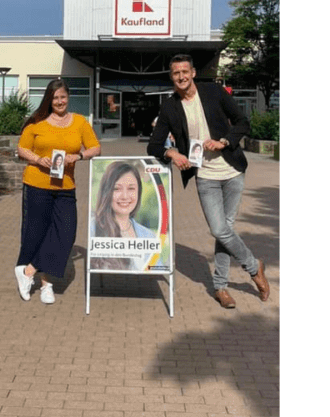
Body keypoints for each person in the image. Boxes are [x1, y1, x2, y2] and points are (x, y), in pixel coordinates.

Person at [147, 55, 269, 309]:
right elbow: (154, 145)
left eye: (184, 71)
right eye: (175, 73)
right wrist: (173, 153)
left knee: (225, 230)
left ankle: (221, 288)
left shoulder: (213, 92)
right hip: (205, 175)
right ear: (172, 77)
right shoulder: (170, 106)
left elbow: (242, 122)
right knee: (220, 229)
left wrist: (224, 141)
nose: (180, 76)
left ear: (192, 72)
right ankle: (254, 266)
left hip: (232, 171)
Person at [14, 79, 101, 304]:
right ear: (49, 99)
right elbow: (22, 148)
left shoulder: (80, 122)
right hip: (36, 184)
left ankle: (27, 271)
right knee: (37, 233)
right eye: (55, 98)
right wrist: (38, 159)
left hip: (66, 186)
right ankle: (46, 285)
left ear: (68, 97)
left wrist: (79, 156)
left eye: (63, 97)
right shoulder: (36, 122)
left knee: (66, 232)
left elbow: (95, 147)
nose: (59, 101)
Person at [89, 161, 160, 271]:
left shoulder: (149, 236)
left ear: (138, 192)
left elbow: (156, 269)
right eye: (117, 189)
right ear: (106, 192)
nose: (125, 196)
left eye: (131, 188)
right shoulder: (92, 228)